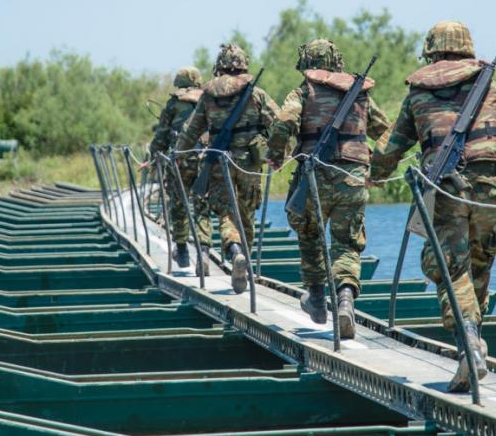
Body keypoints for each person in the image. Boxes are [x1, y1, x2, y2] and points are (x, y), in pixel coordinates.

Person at [371, 20, 496, 391]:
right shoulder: (491, 88)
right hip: (489, 189)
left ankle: (469, 347)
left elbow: (391, 148)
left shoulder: (418, 93)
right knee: (477, 261)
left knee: (447, 265)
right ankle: (474, 341)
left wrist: (374, 173)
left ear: (432, 50)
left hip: (445, 190)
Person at [267, 39, 391, 338]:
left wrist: (275, 154)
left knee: (309, 232)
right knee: (347, 244)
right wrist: (378, 168)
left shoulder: (302, 92)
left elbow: (284, 121)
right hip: (353, 177)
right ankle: (346, 299)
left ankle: (318, 299)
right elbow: (387, 131)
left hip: (315, 177)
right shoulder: (359, 94)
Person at [175, 44, 279, 292]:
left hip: (219, 161)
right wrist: (277, 153)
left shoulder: (209, 95)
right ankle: (245, 263)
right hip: (250, 163)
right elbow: (279, 122)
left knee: (226, 214)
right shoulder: (257, 94)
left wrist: (179, 153)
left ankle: (235, 252)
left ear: (220, 67)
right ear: (244, 65)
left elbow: (191, 130)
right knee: (247, 214)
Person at [146, 66, 212, 269]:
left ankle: (182, 251)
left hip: (179, 160)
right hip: (203, 159)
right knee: (202, 206)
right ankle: (203, 253)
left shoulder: (173, 104)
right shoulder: (208, 101)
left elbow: (161, 136)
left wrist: (153, 158)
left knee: (178, 203)